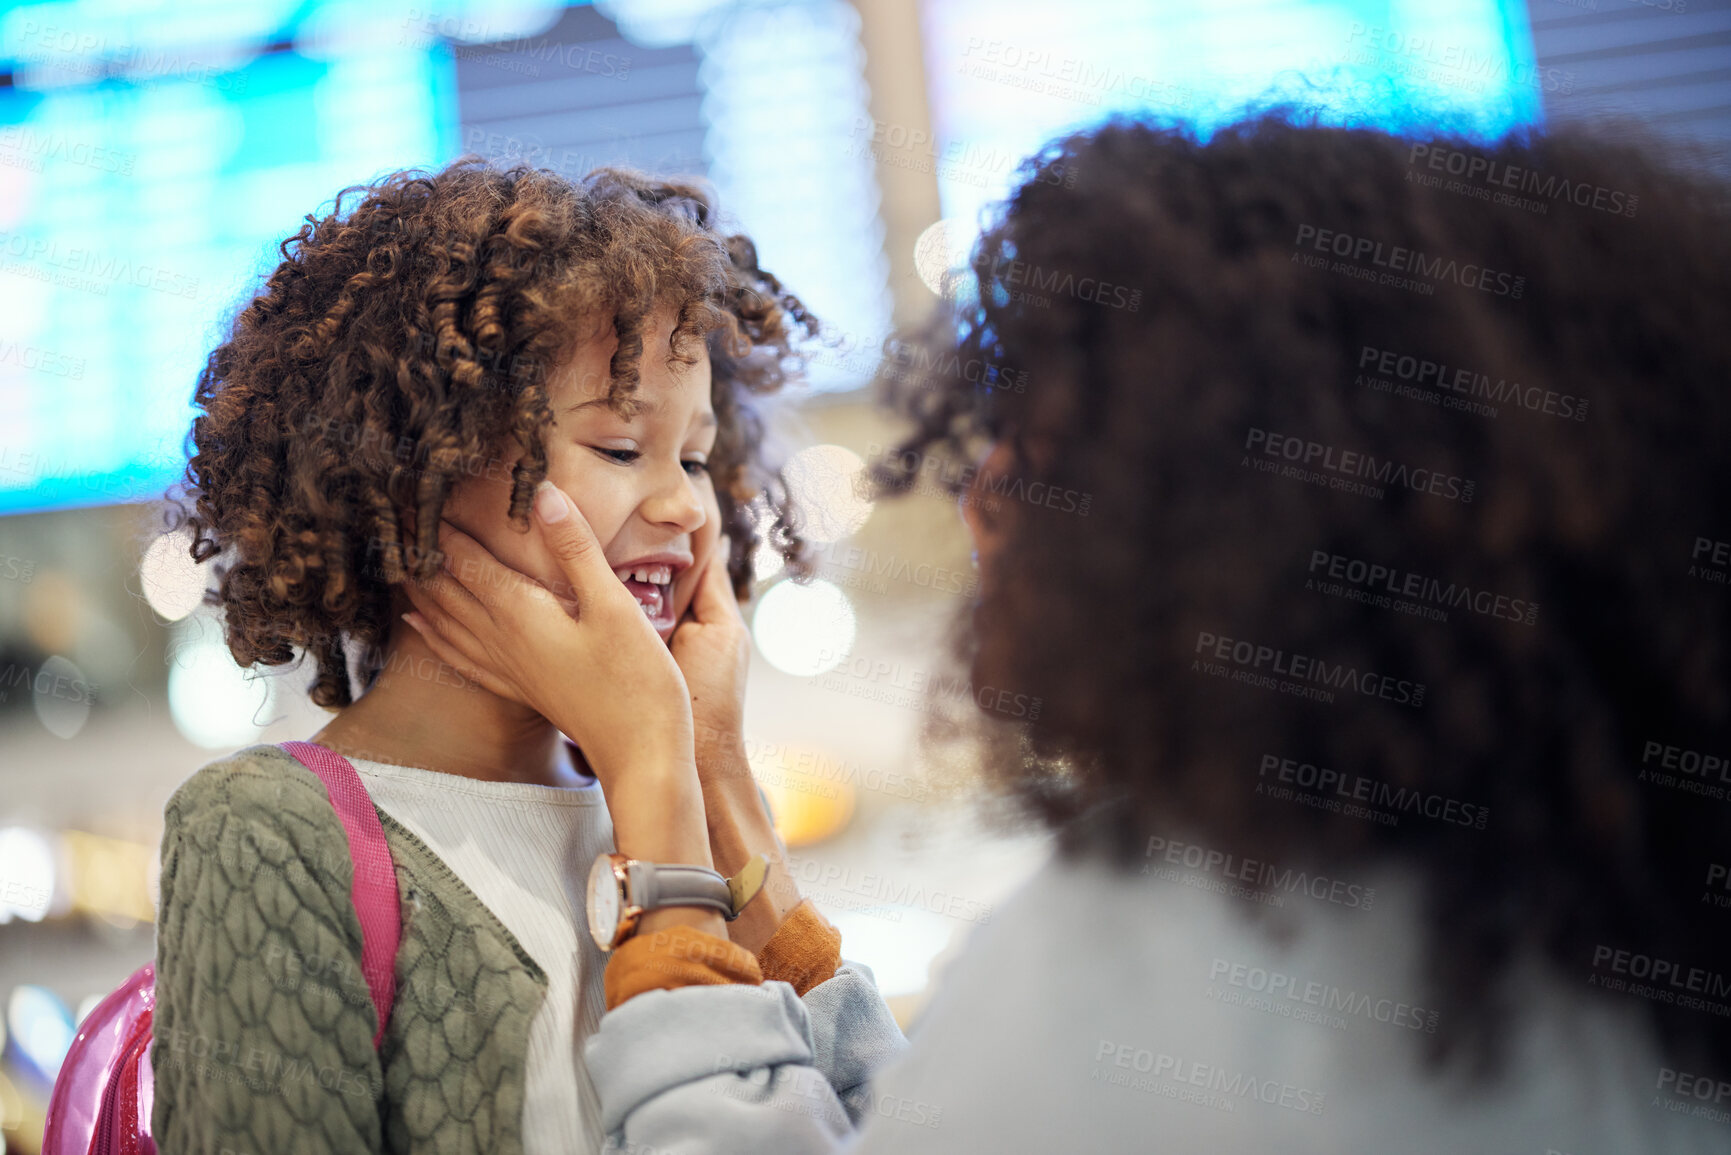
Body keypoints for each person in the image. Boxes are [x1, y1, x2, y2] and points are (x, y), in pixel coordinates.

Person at [404, 112, 1731, 1152]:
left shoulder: (1154, 965)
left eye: (1042, 452)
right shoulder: (1581, 906)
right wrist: (728, 803)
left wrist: (655, 809)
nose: (983, 498)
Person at [150, 159, 889, 1155]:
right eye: (622, 450)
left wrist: (701, 775)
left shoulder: (652, 802)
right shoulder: (267, 832)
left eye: (699, 457)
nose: (681, 507)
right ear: (419, 461)